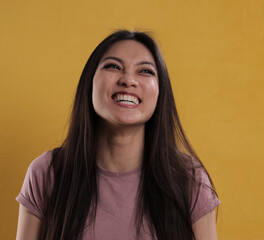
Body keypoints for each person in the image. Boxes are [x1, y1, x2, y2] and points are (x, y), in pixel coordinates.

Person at [16, 30, 220, 240]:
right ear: (89, 83)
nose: (128, 80)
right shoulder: (46, 173)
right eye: (113, 66)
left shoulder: (190, 180)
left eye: (145, 71)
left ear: (161, 93)